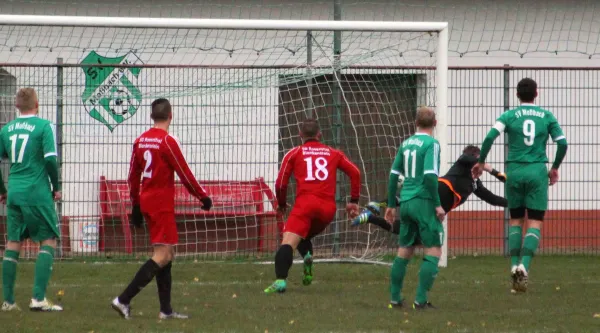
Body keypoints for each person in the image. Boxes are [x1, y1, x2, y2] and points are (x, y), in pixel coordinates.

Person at [111, 98, 212, 319]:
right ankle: (123, 299)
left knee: (167, 254)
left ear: (151, 116)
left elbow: (132, 177)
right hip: (160, 204)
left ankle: (165, 310)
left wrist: (135, 205)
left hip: (147, 201)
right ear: (171, 115)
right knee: (162, 254)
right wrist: (202, 197)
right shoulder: (167, 142)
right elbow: (185, 173)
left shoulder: (140, 141)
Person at [472, 78, 568, 293]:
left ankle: (514, 265)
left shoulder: (509, 115)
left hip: (514, 172)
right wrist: (554, 168)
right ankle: (524, 265)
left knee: (515, 220)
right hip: (536, 172)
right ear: (537, 93)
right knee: (534, 222)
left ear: (517, 95)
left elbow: (489, 137)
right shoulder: (546, 116)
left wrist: (481, 162)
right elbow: (562, 143)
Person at [264, 118, 361, 293]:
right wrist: (353, 201)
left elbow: (280, 184)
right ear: (319, 135)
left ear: (300, 135)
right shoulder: (333, 153)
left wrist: (282, 203)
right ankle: (307, 256)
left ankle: (280, 281)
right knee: (303, 234)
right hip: (327, 210)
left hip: (305, 206)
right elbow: (355, 172)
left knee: (288, 241)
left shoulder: (294, 153)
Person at [0, 88, 63, 312]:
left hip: (15, 191)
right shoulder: (43, 126)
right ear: (37, 104)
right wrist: (56, 187)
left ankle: (8, 301)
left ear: (17, 106)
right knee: (48, 240)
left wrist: (2, 189)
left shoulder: (6, 129)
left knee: (13, 242)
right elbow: (50, 161)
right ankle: (38, 298)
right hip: (36, 192)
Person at [353, 145, 507, 232]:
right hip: (439, 190)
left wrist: (514, 203)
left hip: (437, 209)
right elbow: (467, 158)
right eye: (478, 161)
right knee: (409, 198)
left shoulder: (475, 185)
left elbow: (492, 199)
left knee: (407, 230)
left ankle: (370, 218)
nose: (480, 166)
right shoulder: (462, 163)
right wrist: (492, 170)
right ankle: (378, 204)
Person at [385, 106, 444, 310]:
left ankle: (395, 298)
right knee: (434, 250)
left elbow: (393, 175)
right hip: (423, 201)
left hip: (406, 201)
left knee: (404, 250)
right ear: (435, 124)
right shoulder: (432, 144)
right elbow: (429, 176)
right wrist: (437, 204)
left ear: (415, 123)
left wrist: (392, 205)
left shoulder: (406, 143)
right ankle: (420, 300)